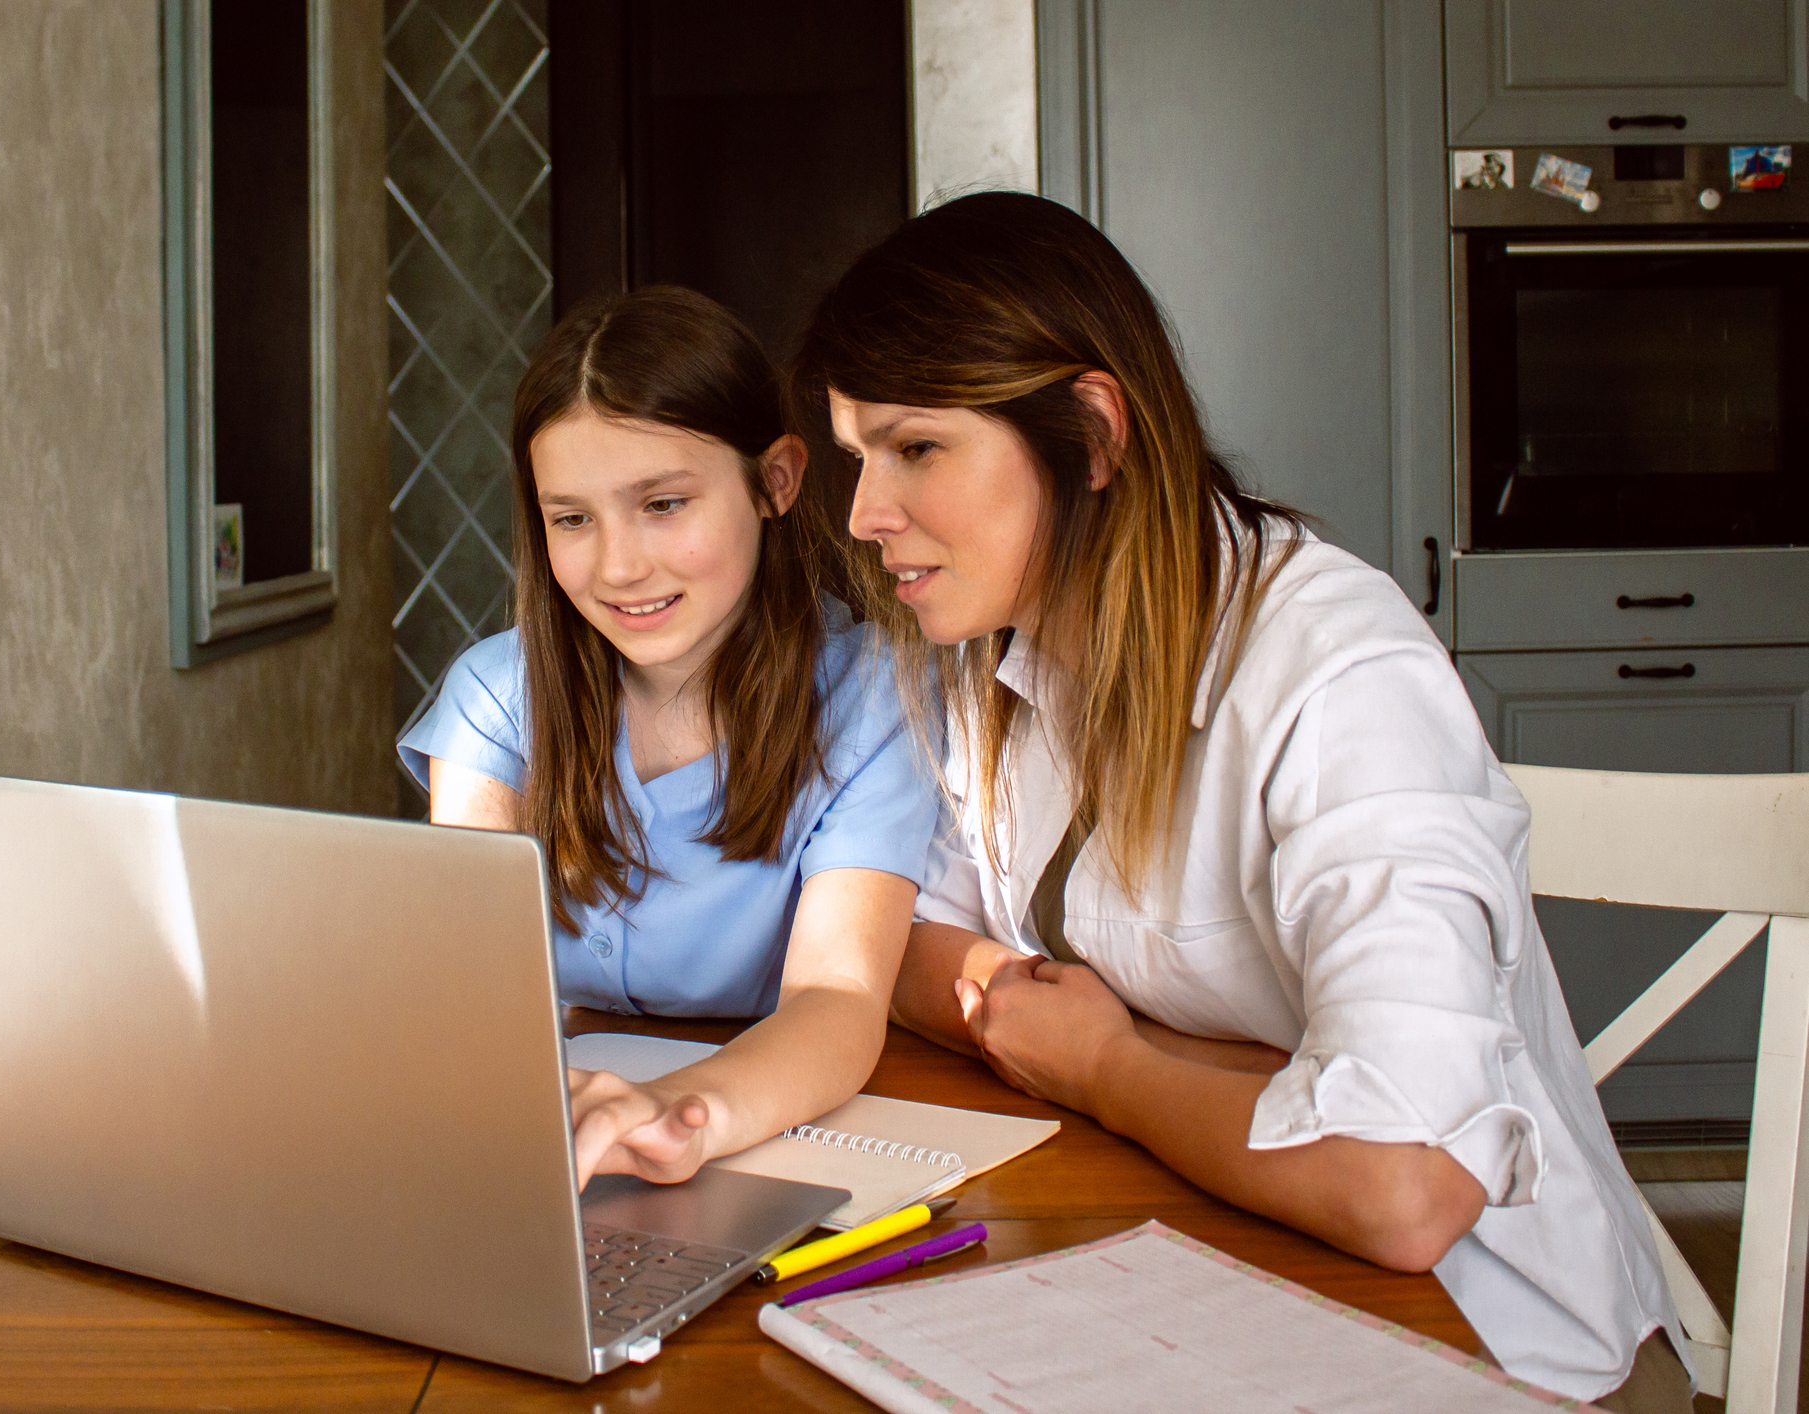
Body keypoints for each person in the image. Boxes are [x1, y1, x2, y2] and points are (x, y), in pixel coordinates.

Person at [789, 192, 1690, 1412]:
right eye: (857, 457)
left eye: (917, 449)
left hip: (1497, 1350)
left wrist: (1111, 1059)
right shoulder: (979, 654)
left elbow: (1402, 1185)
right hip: (1210, 1276)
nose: (864, 515)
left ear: (1092, 433)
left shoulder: (1338, 671)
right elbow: (896, 937)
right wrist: (1218, 1068)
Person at [400, 286, 936, 1194]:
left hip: (762, 1133)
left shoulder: (877, 697)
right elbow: (473, 993)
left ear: (775, 480)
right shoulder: (496, 696)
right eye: (572, 518)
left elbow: (836, 1000)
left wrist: (678, 1116)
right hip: (549, 1142)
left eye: (662, 504)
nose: (617, 566)